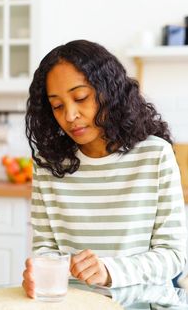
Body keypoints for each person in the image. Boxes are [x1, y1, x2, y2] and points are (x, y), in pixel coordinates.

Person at [23, 39, 186, 298]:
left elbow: (174, 256)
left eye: (80, 97)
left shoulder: (154, 155)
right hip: (72, 304)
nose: (70, 115)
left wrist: (109, 271)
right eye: (57, 105)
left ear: (109, 92)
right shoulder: (48, 164)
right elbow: (45, 250)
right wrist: (41, 274)